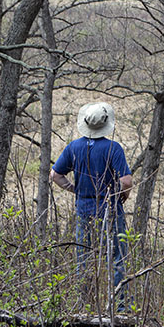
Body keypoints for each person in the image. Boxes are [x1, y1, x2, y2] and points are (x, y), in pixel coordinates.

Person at [50, 102, 133, 310]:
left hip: (83, 208)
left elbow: (55, 175)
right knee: (117, 256)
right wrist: (120, 196)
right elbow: (126, 182)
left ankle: (84, 306)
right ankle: (119, 308)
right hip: (109, 208)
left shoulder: (73, 147)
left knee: (83, 257)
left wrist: (74, 189)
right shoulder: (113, 148)